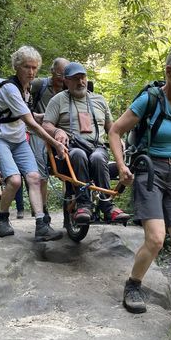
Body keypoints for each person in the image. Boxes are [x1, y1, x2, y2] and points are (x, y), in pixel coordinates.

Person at [108, 45, 171, 329]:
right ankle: (133, 285)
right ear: (169, 72)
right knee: (155, 238)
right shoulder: (149, 100)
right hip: (150, 172)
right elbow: (115, 130)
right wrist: (121, 165)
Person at [0, 45, 67, 240]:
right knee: (15, 181)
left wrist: (51, 121)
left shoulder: (26, 89)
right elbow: (30, 123)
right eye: (26, 67)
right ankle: (2, 218)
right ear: (16, 66)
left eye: (34, 67)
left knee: (34, 177)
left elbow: (30, 114)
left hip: (18, 139)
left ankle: (42, 225)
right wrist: (55, 142)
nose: (31, 72)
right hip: (1, 139)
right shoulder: (10, 88)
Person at [43, 62, 130, 224]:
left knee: (97, 157)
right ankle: (84, 205)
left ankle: (107, 206)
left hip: (97, 147)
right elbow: (46, 125)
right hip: (70, 152)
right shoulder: (58, 100)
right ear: (66, 81)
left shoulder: (99, 100)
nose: (80, 82)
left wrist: (120, 141)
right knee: (78, 154)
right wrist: (57, 131)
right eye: (75, 79)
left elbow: (112, 129)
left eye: (82, 77)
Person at [17, 57, 71, 221]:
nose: (63, 78)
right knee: (41, 174)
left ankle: (69, 214)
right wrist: (35, 117)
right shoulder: (39, 85)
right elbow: (20, 102)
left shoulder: (70, 89)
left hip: (61, 133)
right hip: (38, 133)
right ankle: (42, 211)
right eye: (61, 74)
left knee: (69, 171)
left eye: (66, 75)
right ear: (52, 71)